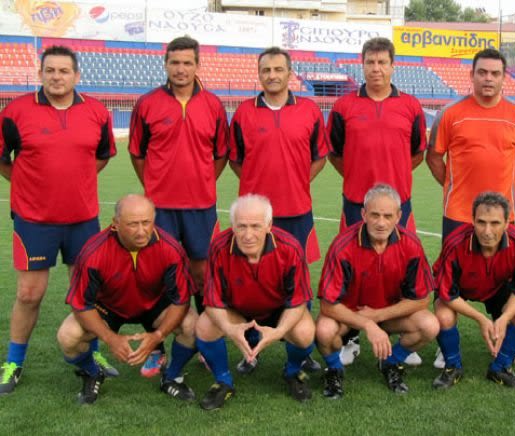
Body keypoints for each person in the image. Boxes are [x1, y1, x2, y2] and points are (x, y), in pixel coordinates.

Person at [0, 45, 116, 395]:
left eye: (64, 71)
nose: (56, 77)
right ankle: (13, 363)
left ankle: (92, 355)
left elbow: (102, 156)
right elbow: (3, 159)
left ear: (76, 75)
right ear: (40, 74)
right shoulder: (16, 111)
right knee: (29, 294)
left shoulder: (96, 112)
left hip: (83, 220)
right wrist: (29, 186)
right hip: (34, 221)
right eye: (50, 70)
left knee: (86, 294)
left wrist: (76, 183)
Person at [129, 36, 228, 376]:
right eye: (175, 62)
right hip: (160, 209)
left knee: (202, 274)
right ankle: (155, 348)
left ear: (197, 65)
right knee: (157, 276)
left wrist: (201, 182)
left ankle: (204, 342)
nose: (181, 69)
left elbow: (220, 155)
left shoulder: (213, 105)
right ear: (166, 64)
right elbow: (137, 153)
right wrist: (155, 187)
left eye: (187, 62)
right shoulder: (147, 104)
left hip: (201, 207)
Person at [327, 37, 427, 365]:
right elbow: (336, 154)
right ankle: (351, 337)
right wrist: (358, 178)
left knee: (399, 268)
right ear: (362, 65)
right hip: (356, 203)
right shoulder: (343, 107)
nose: (376, 68)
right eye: (370, 62)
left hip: (399, 204)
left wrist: (392, 184)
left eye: (382, 62)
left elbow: (417, 153)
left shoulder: (411, 106)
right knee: (352, 271)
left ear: (393, 66)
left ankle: (401, 337)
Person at [228, 47, 328, 374]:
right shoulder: (244, 112)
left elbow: (320, 157)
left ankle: (301, 351)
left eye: (278, 69)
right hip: (254, 218)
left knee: (298, 280)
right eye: (266, 70)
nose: (272, 75)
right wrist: (256, 187)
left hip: (297, 211)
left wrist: (297, 181)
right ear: (259, 74)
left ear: (290, 73)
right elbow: (235, 159)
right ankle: (251, 349)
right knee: (251, 280)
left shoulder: (310, 110)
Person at [56, 194, 198, 404]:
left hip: (155, 305)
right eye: (132, 224)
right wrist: (110, 338)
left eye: (146, 222)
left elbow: (181, 300)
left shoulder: (170, 249)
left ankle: (171, 376)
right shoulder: (94, 251)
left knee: (194, 326)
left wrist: (158, 335)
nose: (141, 231)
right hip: (109, 307)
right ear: (115, 223)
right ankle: (92, 373)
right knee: (68, 336)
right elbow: (81, 304)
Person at [194, 194, 316, 410]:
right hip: (238, 311)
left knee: (305, 331)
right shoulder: (219, 247)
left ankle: (292, 372)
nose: (248, 235)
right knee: (204, 325)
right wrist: (229, 329)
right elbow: (212, 300)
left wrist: (279, 332)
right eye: (241, 226)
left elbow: (298, 301)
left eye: (255, 226)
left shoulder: (290, 247)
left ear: (269, 225)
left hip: (277, 311)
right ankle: (223, 381)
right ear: (233, 225)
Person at [316, 184, 439, 398]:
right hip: (349, 314)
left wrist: (377, 316)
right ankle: (334, 369)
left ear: (398, 216)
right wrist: (367, 323)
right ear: (363, 214)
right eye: (375, 215)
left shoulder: (410, 245)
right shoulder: (343, 246)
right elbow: (328, 305)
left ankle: (390, 363)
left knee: (429, 325)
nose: (381, 223)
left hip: (389, 313)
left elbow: (421, 299)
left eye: (388, 216)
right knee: (324, 330)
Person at [427, 48, 515, 240]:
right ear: (472, 75)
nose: (488, 78)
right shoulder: (450, 113)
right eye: (482, 72)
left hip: (501, 214)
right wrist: (453, 183)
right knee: (456, 260)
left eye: (495, 73)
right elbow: (433, 157)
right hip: (459, 214)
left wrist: (504, 177)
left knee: (501, 261)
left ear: (503, 78)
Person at [432, 192, 515, 390]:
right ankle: (453, 366)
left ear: (507, 223)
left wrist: (505, 318)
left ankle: (500, 367)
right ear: (472, 220)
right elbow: (447, 293)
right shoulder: (455, 243)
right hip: (462, 288)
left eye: (495, 223)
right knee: (443, 314)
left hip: (499, 288)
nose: (487, 231)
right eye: (481, 222)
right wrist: (481, 319)